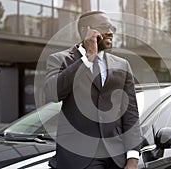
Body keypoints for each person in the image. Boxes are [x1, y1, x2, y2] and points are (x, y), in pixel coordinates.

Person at [44, 11, 141, 169]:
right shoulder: (60, 59)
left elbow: (130, 113)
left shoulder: (122, 65)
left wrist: (133, 157)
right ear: (85, 30)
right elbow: (52, 93)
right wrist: (88, 57)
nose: (110, 32)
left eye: (112, 27)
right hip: (78, 158)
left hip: (116, 158)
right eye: (104, 27)